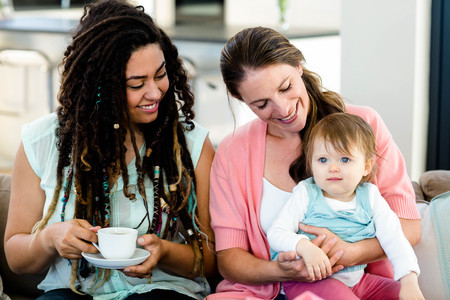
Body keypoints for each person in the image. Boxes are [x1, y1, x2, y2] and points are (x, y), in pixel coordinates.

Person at [4, 1, 216, 299]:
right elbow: (16, 257)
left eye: (160, 74)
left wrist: (165, 252)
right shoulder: (40, 142)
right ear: (99, 87)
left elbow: (213, 259)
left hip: (160, 290)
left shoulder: (192, 145)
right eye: (136, 84)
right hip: (71, 292)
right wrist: (49, 239)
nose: (154, 92)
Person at [208, 26, 421, 299]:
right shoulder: (232, 152)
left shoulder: (364, 126)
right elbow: (229, 259)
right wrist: (283, 270)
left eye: (286, 88)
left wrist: (350, 252)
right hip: (272, 292)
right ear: (241, 99)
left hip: (361, 285)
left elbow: (409, 227)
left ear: (299, 66)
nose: (283, 109)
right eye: (262, 104)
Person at [268, 113, 424, 300]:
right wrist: (304, 247)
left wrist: (409, 281)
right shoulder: (306, 193)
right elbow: (276, 232)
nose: (333, 168)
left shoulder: (370, 196)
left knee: (399, 294)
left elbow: (395, 239)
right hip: (308, 282)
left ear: (366, 166)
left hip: (358, 282)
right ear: (311, 164)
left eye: (344, 159)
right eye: (323, 160)